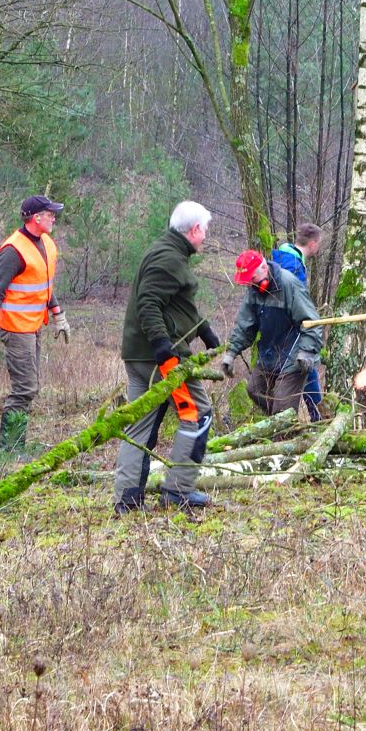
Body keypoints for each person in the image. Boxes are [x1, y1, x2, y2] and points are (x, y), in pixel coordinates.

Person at [114, 200, 223, 513]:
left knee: (140, 426)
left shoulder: (167, 250)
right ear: (194, 229)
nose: (206, 237)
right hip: (161, 359)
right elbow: (148, 303)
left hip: (140, 355)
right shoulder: (169, 259)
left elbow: (174, 304)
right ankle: (178, 489)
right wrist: (163, 346)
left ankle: (127, 498)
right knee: (197, 414)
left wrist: (203, 329)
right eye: (205, 230)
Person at [0, 194, 65, 455]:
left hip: (34, 325)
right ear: (36, 218)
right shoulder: (12, 251)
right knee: (25, 388)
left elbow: (44, 284)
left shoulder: (47, 244)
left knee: (30, 387)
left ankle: (16, 447)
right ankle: (9, 450)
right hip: (15, 328)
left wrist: (58, 314)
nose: (54, 217)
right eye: (50, 213)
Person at [226, 247, 322, 414]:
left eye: (253, 278)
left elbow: (311, 321)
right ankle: (282, 424)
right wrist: (231, 352)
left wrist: (307, 351)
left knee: (283, 407)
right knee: (254, 389)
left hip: (295, 354)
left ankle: (284, 425)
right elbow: (245, 324)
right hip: (270, 353)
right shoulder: (253, 291)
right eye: (248, 280)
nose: (251, 283)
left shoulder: (289, 284)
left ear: (264, 268)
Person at [268, 222, 327, 418]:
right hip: (289, 331)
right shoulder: (293, 267)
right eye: (318, 243)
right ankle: (317, 416)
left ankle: (315, 416)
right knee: (305, 366)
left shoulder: (284, 258)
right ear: (312, 244)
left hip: (280, 330)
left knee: (303, 368)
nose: (318, 247)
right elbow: (293, 304)